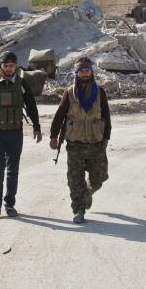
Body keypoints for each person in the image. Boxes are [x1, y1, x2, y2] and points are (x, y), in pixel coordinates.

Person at [0, 51, 42, 218]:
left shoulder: (21, 83)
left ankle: (9, 204)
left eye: (11, 66)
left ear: (16, 66)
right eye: (5, 66)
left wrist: (37, 127)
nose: (8, 69)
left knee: (13, 170)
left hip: (15, 133)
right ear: (1, 66)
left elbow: (31, 105)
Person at [49, 57, 112, 224]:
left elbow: (106, 116)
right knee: (75, 180)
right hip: (75, 143)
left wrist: (106, 138)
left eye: (87, 70)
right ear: (76, 73)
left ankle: (87, 194)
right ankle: (79, 209)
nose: (84, 73)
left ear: (91, 72)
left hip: (95, 143)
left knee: (99, 179)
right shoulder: (70, 92)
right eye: (81, 70)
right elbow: (59, 115)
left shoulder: (100, 93)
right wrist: (53, 136)